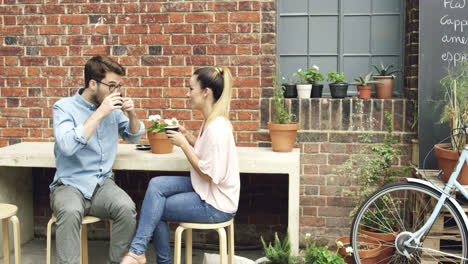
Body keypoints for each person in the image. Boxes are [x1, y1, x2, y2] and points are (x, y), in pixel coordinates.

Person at [121, 67, 240, 264]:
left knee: (155, 209)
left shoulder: (218, 128)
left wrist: (184, 145)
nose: (187, 93)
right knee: (156, 185)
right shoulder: (211, 121)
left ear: (205, 92)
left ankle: (146, 256)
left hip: (216, 204)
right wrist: (189, 137)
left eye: (191, 88)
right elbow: (207, 154)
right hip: (207, 191)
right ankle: (138, 251)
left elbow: (208, 175)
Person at [51, 55, 145, 264]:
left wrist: (131, 114)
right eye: (111, 86)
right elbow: (66, 146)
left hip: (102, 184)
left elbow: (134, 136)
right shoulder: (63, 107)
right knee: (70, 210)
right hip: (69, 184)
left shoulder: (111, 108)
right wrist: (100, 113)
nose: (116, 92)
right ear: (93, 83)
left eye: (119, 86)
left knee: (126, 208)